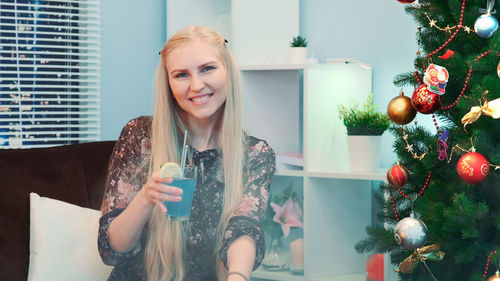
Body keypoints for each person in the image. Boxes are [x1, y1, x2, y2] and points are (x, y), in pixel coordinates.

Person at [98, 26, 276, 281]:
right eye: (181, 75)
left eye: (207, 68)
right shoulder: (140, 136)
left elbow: (243, 228)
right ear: (168, 84)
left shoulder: (256, 154)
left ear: (228, 72)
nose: (196, 85)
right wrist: (147, 197)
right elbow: (112, 251)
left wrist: (238, 276)